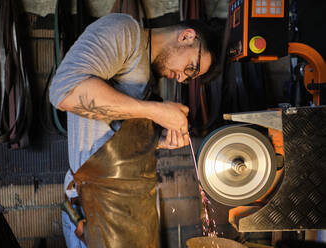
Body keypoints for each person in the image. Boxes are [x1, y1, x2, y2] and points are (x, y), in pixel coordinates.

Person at [49, 13, 221, 248]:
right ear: (187, 36)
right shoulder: (125, 32)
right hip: (96, 203)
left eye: (190, 77)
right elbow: (64, 92)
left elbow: (114, 131)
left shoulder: (150, 73)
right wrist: (155, 111)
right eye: (191, 67)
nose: (182, 78)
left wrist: (159, 140)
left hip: (134, 206)